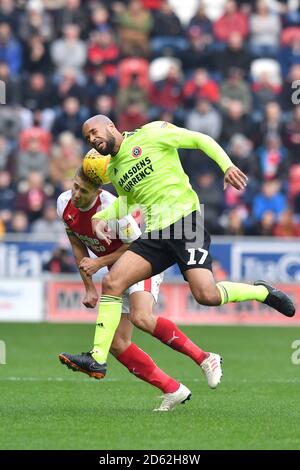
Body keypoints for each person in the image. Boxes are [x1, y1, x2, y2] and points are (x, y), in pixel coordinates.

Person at [67, 116, 295, 406]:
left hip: (185, 223)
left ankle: (263, 292)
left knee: (207, 295)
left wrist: (226, 166)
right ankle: (97, 358)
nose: (92, 140)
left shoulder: (152, 133)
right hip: (155, 234)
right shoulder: (114, 168)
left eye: (94, 132)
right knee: (112, 281)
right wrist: (102, 217)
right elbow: (128, 201)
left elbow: (199, 139)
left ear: (110, 126)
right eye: (87, 138)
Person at [57, 165, 221, 411]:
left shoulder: (114, 211)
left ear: (98, 192)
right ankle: (173, 390)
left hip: (140, 265)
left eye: (84, 191)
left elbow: (138, 247)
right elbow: (76, 242)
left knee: (142, 317)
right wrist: (89, 287)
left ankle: (205, 358)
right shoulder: (63, 202)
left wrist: (99, 262)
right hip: (116, 274)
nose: (76, 194)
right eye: (75, 187)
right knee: (117, 344)